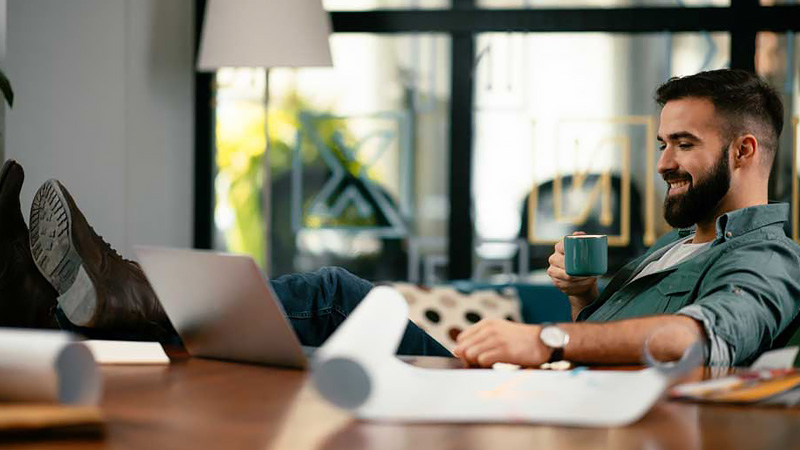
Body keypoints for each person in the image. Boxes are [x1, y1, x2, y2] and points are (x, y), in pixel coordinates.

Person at [1, 69, 796, 368]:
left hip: (550, 406)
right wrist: (586, 301)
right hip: (533, 391)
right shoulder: (679, 241)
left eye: (683, 144)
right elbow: (635, 333)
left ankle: (114, 298)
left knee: (337, 297)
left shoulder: (767, 258)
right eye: (662, 142)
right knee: (286, 336)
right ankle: (77, 305)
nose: (662, 162)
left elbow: (702, 339)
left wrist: (547, 333)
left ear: (747, 150)